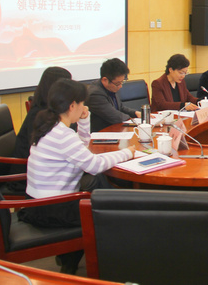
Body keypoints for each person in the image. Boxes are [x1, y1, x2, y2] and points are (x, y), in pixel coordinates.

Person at [19, 79, 136, 274]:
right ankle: (105, 266)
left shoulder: (50, 125)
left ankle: (69, 260)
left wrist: (83, 121)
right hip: (51, 208)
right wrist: (127, 153)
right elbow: (94, 165)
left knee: (97, 191)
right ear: (72, 105)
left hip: (37, 203)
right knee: (105, 210)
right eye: (82, 103)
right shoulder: (62, 135)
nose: (84, 107)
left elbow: (81, 150)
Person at [12, 67, 72, 177]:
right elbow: (45, 147)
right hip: (31, 172)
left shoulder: (50, 108)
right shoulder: (39, 114)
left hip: (48, 165)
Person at [86, 58, 140, 132]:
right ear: (105, 80)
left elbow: (120, 108)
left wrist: (136, 113)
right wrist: (134, 121)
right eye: (118, 83)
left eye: (122, 82)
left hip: (115, 130)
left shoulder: (112, 86)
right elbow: (114, 116)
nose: (120, 86)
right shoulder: (95, 94)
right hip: (101, 134)